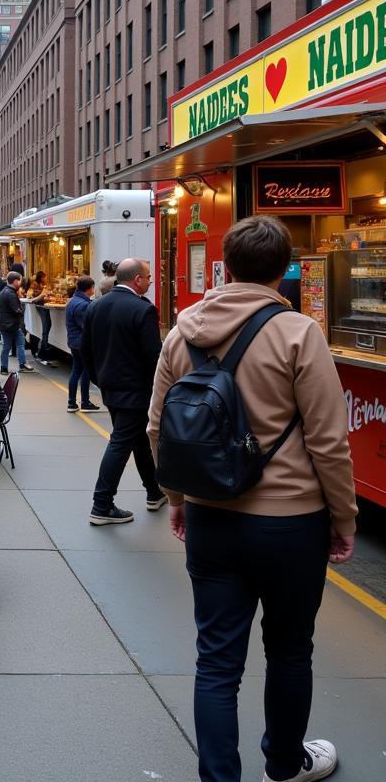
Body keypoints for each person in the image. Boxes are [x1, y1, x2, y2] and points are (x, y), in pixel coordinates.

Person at [147, 216, 357, 782]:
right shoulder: (298, 332)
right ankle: (285, 765)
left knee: (216, 661)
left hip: (212, 519)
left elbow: (158, 429)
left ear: (227, 265)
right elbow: (328, 439)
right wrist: (343, 517)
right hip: (292, 523)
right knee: (290, 651)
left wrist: (177, 499)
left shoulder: (182, 331)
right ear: (283, 269)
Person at [81, 258, 166, 525]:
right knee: (121, 443)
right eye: (149, 276)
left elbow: (86, 351)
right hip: (136, 391)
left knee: (137, 441)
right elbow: (154, 356)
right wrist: (160, 390)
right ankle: (101, 504)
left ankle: (154, 492)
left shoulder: (97, 306)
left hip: (110, 387)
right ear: (137, 280)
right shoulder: (143, 310)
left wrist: (99, 379)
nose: (151, 281)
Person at [65, 276, 99, 412]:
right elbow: (86, 326)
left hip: (74, 341)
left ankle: (72, 402)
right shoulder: (83, 305)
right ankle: (84, 402)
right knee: (85, 372)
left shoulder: (73, 301)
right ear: (90, 288)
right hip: (82, 343)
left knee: (76, 370)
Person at [0, 271, 35, 375]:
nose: (20, 283)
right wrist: (22, 306)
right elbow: (17, 310)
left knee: (9, 345)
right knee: (19, 343)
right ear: (15, 281)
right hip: (11, 325)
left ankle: (4, 368)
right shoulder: (11, 294)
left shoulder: (4, 291)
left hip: (4, 324)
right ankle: (21, 365)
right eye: (20, 281)